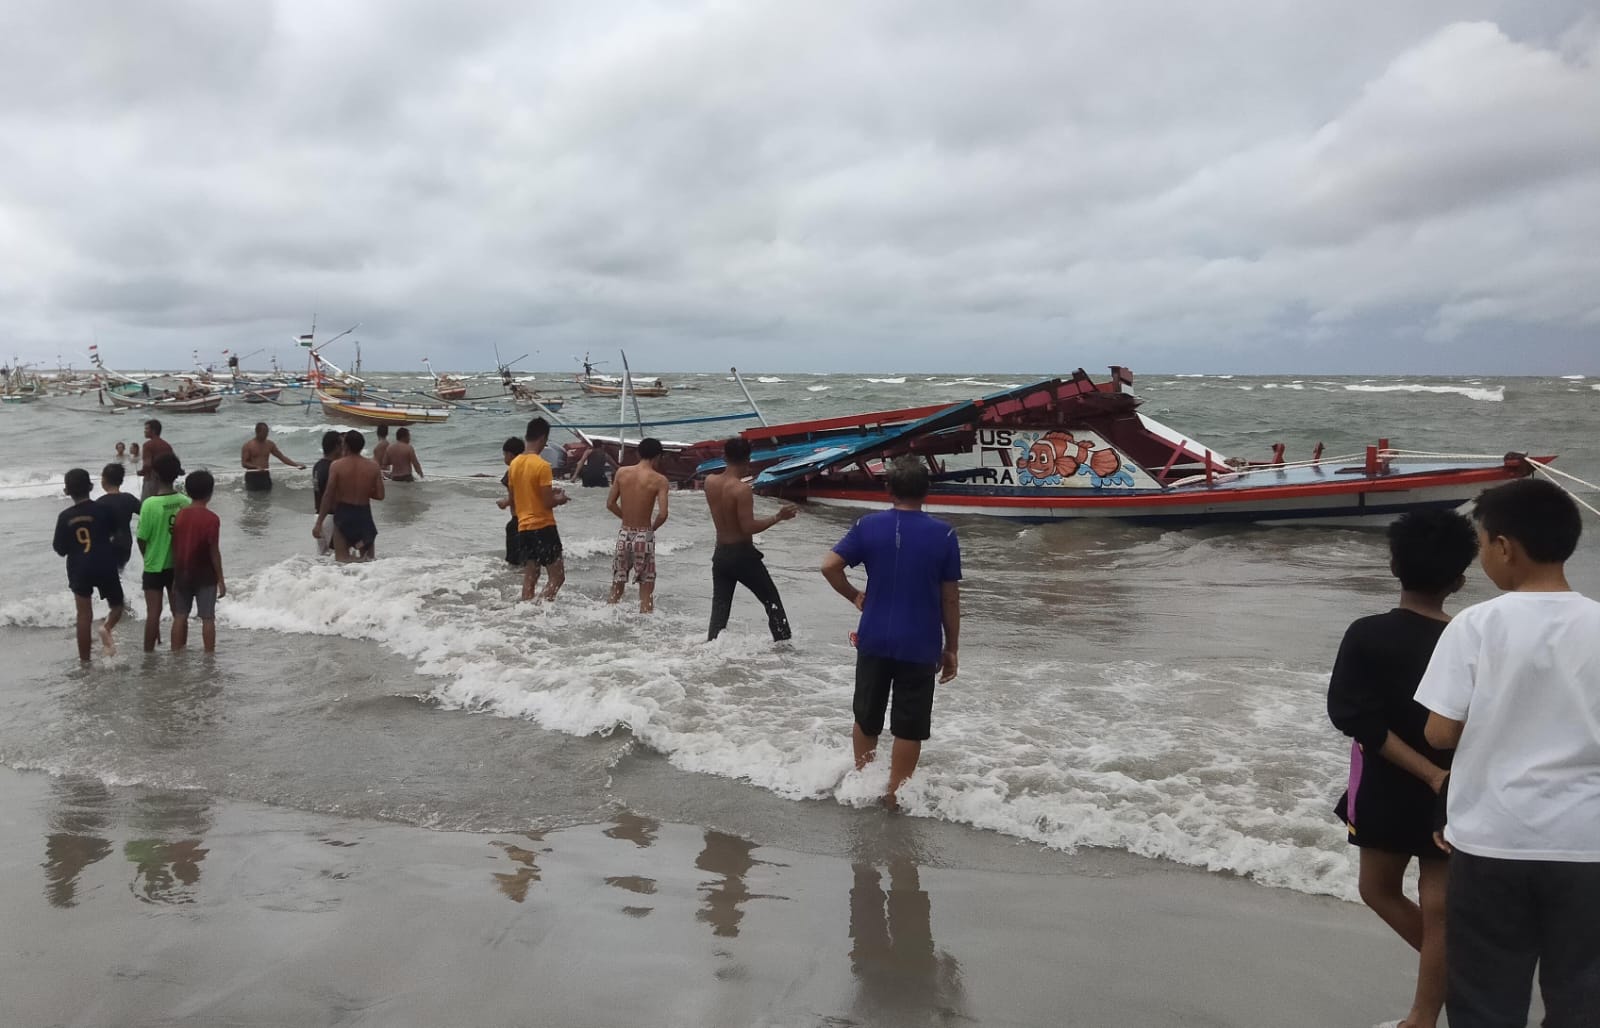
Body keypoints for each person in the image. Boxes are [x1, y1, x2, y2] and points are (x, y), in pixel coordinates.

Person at [1417, 478, 1600, 1026]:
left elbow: (1439, 733)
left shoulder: (1477, 624)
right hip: (1587, 842)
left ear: (1504, 546)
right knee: (1583, 996)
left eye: (1481, 543)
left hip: (1493, 838)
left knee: (1485, 998)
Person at [1326, 509, 1479, 1028]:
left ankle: (1439, 1000)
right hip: (1455, 787)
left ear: (1394, 566)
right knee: (1439, 907)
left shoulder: (1367, 633)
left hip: (1386, 784)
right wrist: (1439, 776)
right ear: (1459, 581)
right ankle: (1430, 1007)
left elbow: (1353, 716)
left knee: (1378, 889)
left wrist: (1425, 774)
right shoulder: (1469, 640)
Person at [821, 458, 960, 809]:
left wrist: (854, 595)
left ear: (889, 490)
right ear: (926, 491)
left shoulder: (867, 526)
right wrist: (952, 647)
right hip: (920, 642)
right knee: (909, 725)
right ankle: (895, 796)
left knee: (867, 715)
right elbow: (949, 597)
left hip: (874, 636)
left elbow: (829, 565)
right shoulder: (944, 534)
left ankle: (862, 785)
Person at [705, 438, 796, 641]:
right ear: (748, 459)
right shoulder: (741, 489)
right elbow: (748, 527)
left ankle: (711, 647)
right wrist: (778, 517)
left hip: (720, 555)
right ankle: (785, 649)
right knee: (772, 602)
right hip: (742, 556)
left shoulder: (710, 482)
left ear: (724, 456)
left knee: (720, 609)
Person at [53, 468, 124, 660]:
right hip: (105, 563)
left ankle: (85, 662)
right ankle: (106, 627)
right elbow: (115, 532)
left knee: (84, 616)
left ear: (66, 491)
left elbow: (59, 549)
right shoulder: (104, 510)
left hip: (79, 568)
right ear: (91, 486)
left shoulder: (65, 517)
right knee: (117, 606)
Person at [505, 417, 570, 601]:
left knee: (531, 575)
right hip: (543, 526)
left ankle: (525, 609)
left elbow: (515, 497)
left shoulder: (514, 464)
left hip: (523, 527)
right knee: (557, 577)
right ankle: (538, 608)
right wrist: (560, 499)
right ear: (542, 438)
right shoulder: (542, 465)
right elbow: (547, 502)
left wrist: (547, 494)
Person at [606, 437, 670, 612]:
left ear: (638, 453)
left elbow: (610, 504)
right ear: (658, 456)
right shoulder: (659, 480)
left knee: (617, 587)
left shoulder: (622, 473)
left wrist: (626, 517)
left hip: (624, 534)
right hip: (644, 534)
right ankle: (645, 625)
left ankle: (608, 618)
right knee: (646, 591)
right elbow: (663, 514)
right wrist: (652, 528)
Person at [135, 452, 190, 652]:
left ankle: (148, 656)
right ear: (177, 474)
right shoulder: (185, 502)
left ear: (155, 474)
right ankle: (180, 651)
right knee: (180, 613)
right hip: (179, 566)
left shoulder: (149, 504)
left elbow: (141, 538)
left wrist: (147, 557)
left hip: (154, 566)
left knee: (153, 613)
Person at [169, 470, 224, 653]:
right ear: (210, 492)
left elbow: (175, 546)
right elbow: (214, 551)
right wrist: (221, 579)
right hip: (205, 575)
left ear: (187, 491)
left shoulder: (180, 515)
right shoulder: (212, 519)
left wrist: (175, 575)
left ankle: (176, 654)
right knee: (207, 618)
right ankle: (209, 657)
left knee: (180, 615)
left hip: (182, 572)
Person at [314, 430, 384, 562]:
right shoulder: (374, 466)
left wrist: (319, 523)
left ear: (345, 445)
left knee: (342, 559)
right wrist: (363, 490)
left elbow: (328, 495)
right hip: (364, 516)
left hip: (344, 516)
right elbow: (380, 495)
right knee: (369, 560)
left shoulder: (336, 466)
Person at [97, 463, 142, 575]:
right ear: (121, 481)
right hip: (126, 543)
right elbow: (145, 513)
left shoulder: (100, 502)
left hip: (108, 545)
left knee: (109, 575)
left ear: (104, 480)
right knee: (120, 572)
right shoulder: (129, 498)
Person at [240, 422, 304, 492]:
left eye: (267, 432)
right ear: (257, 432)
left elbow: (282, 457)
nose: (266, 435)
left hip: (265, 475)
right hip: (252, 476)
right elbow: (244, 463)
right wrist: (256, 467)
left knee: (267, 496)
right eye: (264, 433)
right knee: (253, 497)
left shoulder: (269, 444)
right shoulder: (248, 445)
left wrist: (296, 465)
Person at [311, 430, 344, 556]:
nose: (343, 448)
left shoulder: (317, 466)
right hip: (331, 518)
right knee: (338, 557)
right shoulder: (333, 468)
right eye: (341, 444)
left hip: (319, 516)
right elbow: (330, 496)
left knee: (322, 557)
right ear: (336, 447)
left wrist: (319, 523)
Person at [497, 436, 525, 566]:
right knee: (527, 559)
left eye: (504, 455)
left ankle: (514, 577)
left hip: (517, 520)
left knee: (514, 562)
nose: (504, 458)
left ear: (510, 454)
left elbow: (515, 496)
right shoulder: (528, 469)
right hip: (532, 520)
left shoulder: (511, 471)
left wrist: (505, 502)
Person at [137, 420, 175, 501]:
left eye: (146, 429)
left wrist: (141, 472)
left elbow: (147, 465)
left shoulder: (147, 445)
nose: (144, 431)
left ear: (153, 430)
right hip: (165, 480)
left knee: (147, 502)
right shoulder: (167, 445)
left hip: (151, 478)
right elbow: (173, 462)